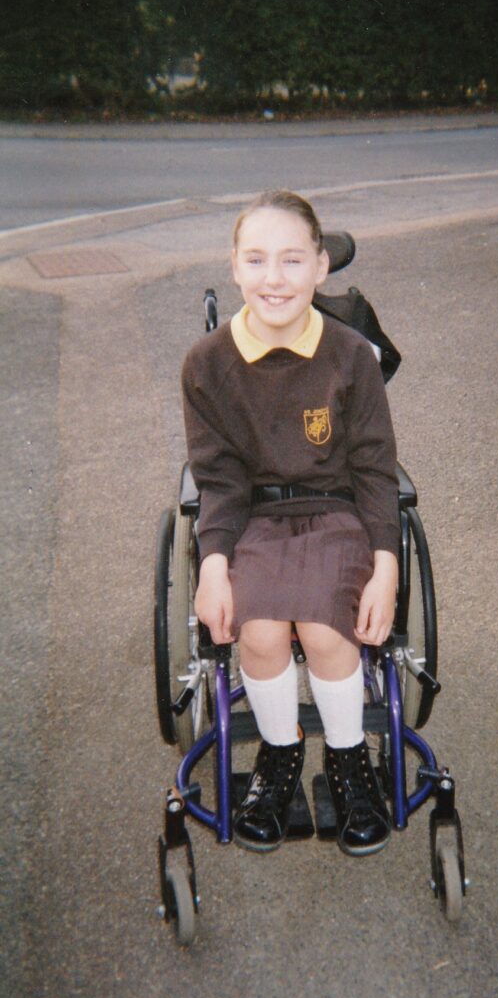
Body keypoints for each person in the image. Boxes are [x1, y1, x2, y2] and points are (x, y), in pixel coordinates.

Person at [181, 189, 400, 857]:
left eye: (290, 260)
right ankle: (278, 757)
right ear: (235, 266)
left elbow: (373, 468)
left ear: (320, 267)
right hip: (253, 520)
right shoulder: (207, 364)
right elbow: (216, 480)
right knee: (259, 630)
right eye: (257, 260)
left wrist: (386, 566)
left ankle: (346, 761)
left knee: (327, 631)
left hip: (333, 512)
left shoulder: (349, 355)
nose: (273, 278)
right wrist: (213, 564)